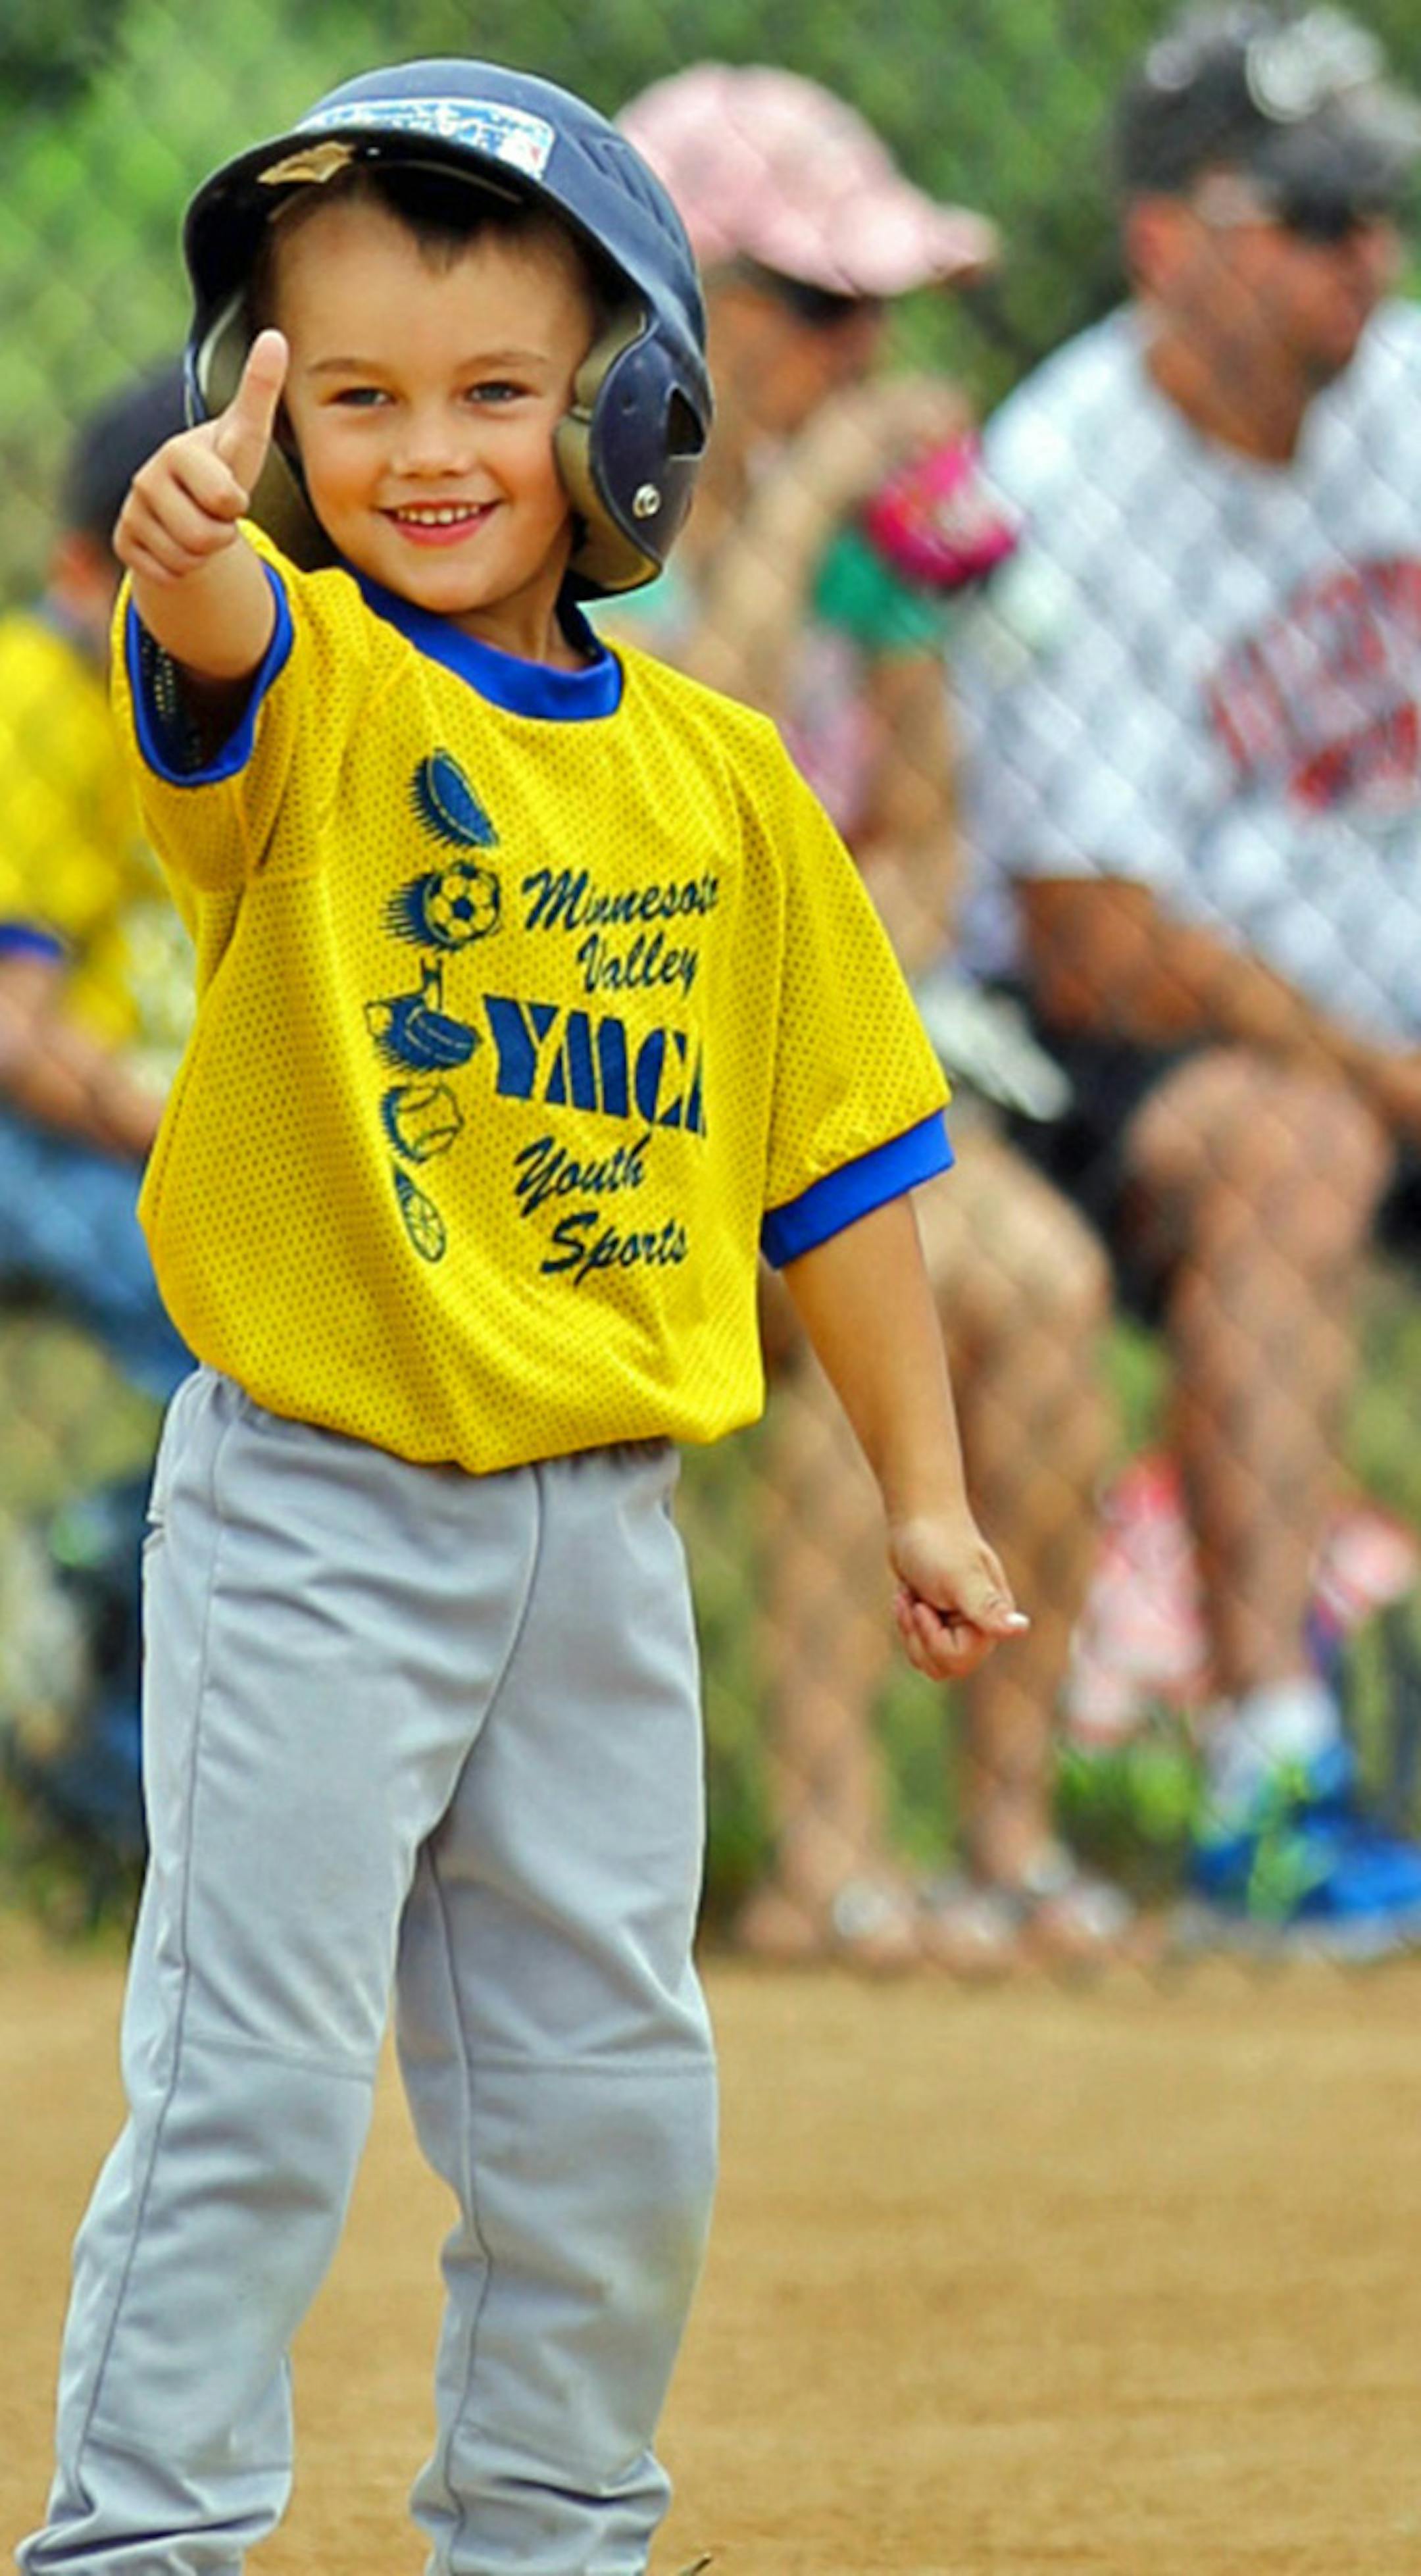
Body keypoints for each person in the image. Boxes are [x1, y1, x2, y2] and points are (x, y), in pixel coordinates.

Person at [18, 59, 1028, 2576]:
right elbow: (221, 654)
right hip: (317, 1504)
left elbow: (849, 1162)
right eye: (348, 397)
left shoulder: (726, 788)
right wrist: (193, 555)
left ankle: (553, 2525)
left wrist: (922, 1478)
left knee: (610, 2095)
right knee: (250, 2079)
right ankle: (136, 2540)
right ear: (268, 415)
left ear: (643, 411)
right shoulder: (314, 692)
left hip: (598, 1543)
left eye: (496, 391)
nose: (426, 451)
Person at [609, 63, 1128, 1973]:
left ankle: (1004, 1833)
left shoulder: (874, 552)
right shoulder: (580, 527)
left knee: (1047, 1290)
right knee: (849, 1302)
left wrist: (862, 959)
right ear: (682, 306)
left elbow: (918, 827)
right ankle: (827, 1853)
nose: (868, 353)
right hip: (622, 1071)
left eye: (875, 314)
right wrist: (814, 476)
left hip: (813, 1060)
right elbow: (701, 776)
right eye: (821, 311)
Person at [957, 0, 1421, 1944]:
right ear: (1170, 242)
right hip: (1122, 1063)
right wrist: (1386, 1076)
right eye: (1312, 216)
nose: (1364, 259)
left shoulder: (1406, 395)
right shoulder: (1067, 471)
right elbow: (1099, 936)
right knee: (1291, 1149)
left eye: (1376, 209)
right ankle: (1268, 1768)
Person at [0, 363, 192, 1858]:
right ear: (81, 571)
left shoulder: (216, 717)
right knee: (235, 1329)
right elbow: (14, 1033)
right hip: (35, 1130)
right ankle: (125, 1747)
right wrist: (182, 1133)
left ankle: (93, 1580)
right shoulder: (34, 696)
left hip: (106, 1123)